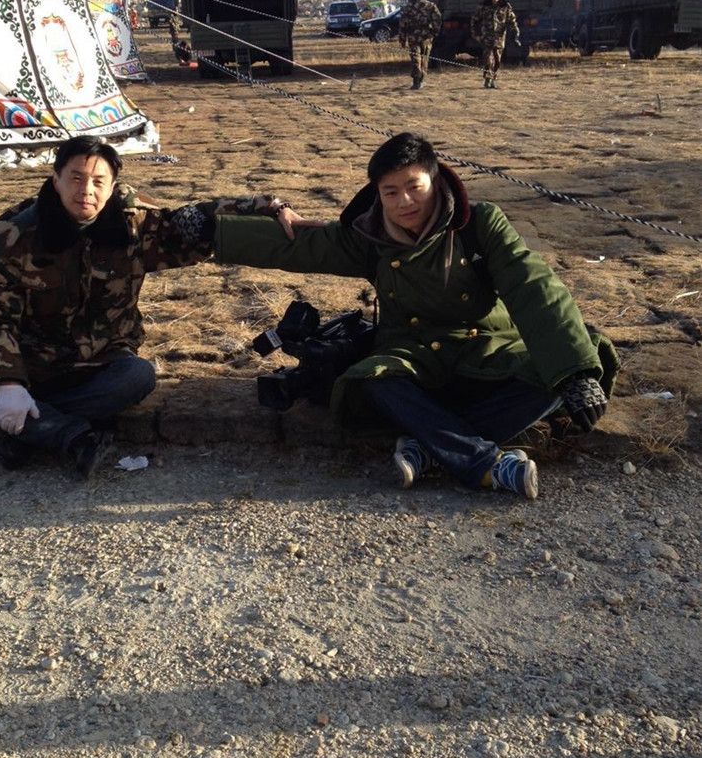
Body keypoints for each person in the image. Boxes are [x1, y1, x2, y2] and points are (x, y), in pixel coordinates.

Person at [214, 133, 617, 500]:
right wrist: (209, 231)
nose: (403, 202)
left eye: (413, 187)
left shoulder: (480, 224)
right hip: (411, 354)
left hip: (486, 348)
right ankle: (481, 462)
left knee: (561, 372)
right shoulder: (368, 235)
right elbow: (299, 246)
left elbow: (533, 286)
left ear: (435, 180)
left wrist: (574, 373)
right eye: (390, 192)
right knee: (372, 380)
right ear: (377, 193)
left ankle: (430, 448)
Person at [0, 135, 287, 477]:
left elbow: (195, 222)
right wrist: (8, 383)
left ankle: (30, 431)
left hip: (99, 367)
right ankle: (71, 435)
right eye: (76, 178)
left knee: (138, 376)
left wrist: (270, 207)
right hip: (31, 368)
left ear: (112, 186)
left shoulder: (133, 223)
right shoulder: (16, 234)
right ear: (56, 180)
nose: (86, 191)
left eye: (98, 181)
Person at [470, 0, 520, 89]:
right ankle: (487, 79)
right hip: (486, 37)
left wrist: (515, 32)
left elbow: (512, 20)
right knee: (488, 59)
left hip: (499, 38)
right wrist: (476, 35)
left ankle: (493, 79)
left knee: (497, 60)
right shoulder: (483, 6)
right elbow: (474, 21)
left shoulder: (505, 6)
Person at [398, 0, 442, 90]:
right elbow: (437, 20)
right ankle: (421, 80)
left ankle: (416, 81)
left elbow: (402, 24)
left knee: (415, 58)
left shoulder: (408, 7)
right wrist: (434, 32)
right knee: (424, 58)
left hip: (412, 36)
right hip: (426, 36)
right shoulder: (431, 6)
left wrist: (402, 39)